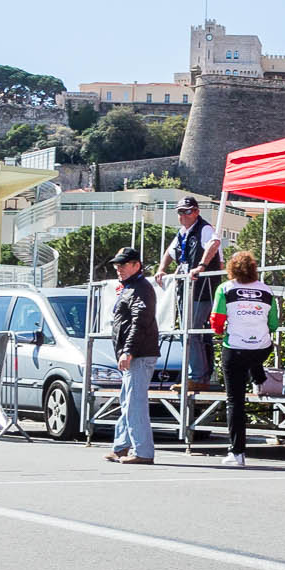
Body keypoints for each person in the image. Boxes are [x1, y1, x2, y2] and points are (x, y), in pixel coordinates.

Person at [208, 250, 280, 468]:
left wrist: (223, 330)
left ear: (231, 268)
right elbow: (274, 324)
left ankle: (237, 453)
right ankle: (259, 380)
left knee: (235, 402)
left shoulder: (225, 289)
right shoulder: (266, 290)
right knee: (255, 352)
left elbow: (216, 323)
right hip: (261, 348)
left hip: (236, 349)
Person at [106, 246, 160, 465]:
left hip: (139, 354)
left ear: (136, 265)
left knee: (134, 402)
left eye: (123, 264)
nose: (118, 268)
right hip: (137, 353)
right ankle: (121, 447)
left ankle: (143, 451)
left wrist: (128, 350)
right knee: (128, 400)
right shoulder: (132, 287)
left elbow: (140, 322)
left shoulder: (140, 288)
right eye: (117, 265)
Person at [163, 196, 222, 386]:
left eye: (188, 211)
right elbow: (170, 253)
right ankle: (199, 375)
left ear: (196, 211)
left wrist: (201, 267)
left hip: (202, 289)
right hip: (188, 290)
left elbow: (214, 245)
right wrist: (161, 269)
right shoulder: (182, 233)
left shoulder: (204, 228)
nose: (184, 215)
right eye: (180, 212)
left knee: (191, 331)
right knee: (192, 331)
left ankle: (198, 376)